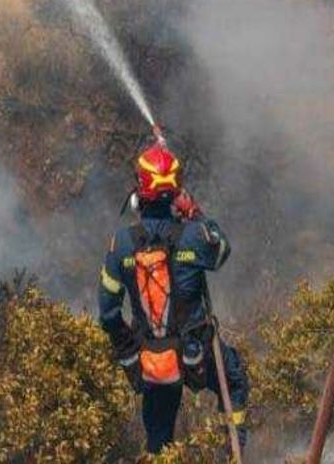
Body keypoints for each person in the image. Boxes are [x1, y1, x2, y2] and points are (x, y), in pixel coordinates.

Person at [98, 137, 249, 454]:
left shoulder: (121, 244)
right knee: (233, 380)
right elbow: (221, 251)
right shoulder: (194, 234)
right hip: (197, 355)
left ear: (141, 190)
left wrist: (131, 360)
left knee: (158, 439)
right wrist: (195, 212)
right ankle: (232, 456)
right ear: (176, 189)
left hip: (153, 361)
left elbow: (108, 314)